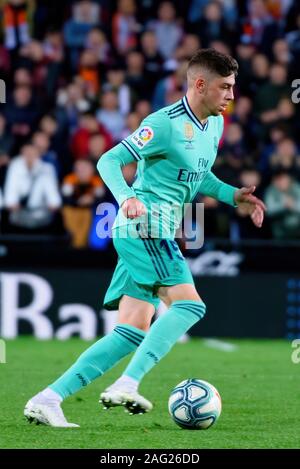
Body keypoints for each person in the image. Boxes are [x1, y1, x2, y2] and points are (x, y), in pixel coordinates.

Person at [24, 48, 266, 427]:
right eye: (225, 87)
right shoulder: (164, 123)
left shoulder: (214, 125)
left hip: (153, 231)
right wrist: (128, 198)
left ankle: (48, 398)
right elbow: (108, 160)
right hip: (144, 226)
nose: (231, 96)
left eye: (233, 87)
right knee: (190, 306)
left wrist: (232, 195)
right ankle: (127, 383)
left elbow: (198, 176)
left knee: (131, 331)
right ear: (200, 84)